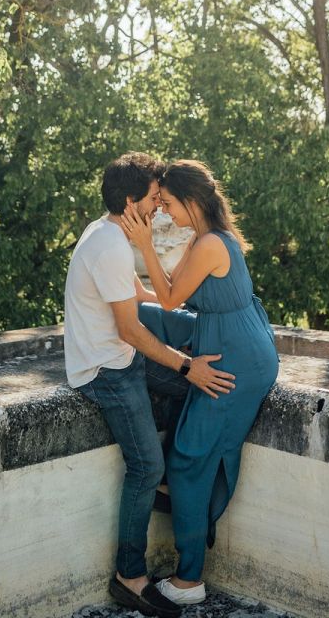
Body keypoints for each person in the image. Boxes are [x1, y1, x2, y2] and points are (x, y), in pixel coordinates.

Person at [63, 152, 236, 618]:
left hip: (123, 357)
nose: (160, 208)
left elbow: (135, 294)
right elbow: (131, 331)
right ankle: (129, 575)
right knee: (142, 464)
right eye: (154, 199)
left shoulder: (110, 232)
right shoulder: (110, 245)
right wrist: (187, 365)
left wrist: (182, 316)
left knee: (195, 392)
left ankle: (168, 479)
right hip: (105, 369)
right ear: (129, 201)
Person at [120, 158, 279, 607]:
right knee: (136, 318)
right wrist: (128, 291)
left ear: (191, 201)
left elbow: (171, 299)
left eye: (168, 203)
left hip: (236, 358)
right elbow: (170, 294)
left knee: (191, 457)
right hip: (225, 335)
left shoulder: (210, 243)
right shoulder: (206, 238)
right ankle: (184, 500)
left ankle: (189, 581)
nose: (165, 212)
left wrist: (145, 243)